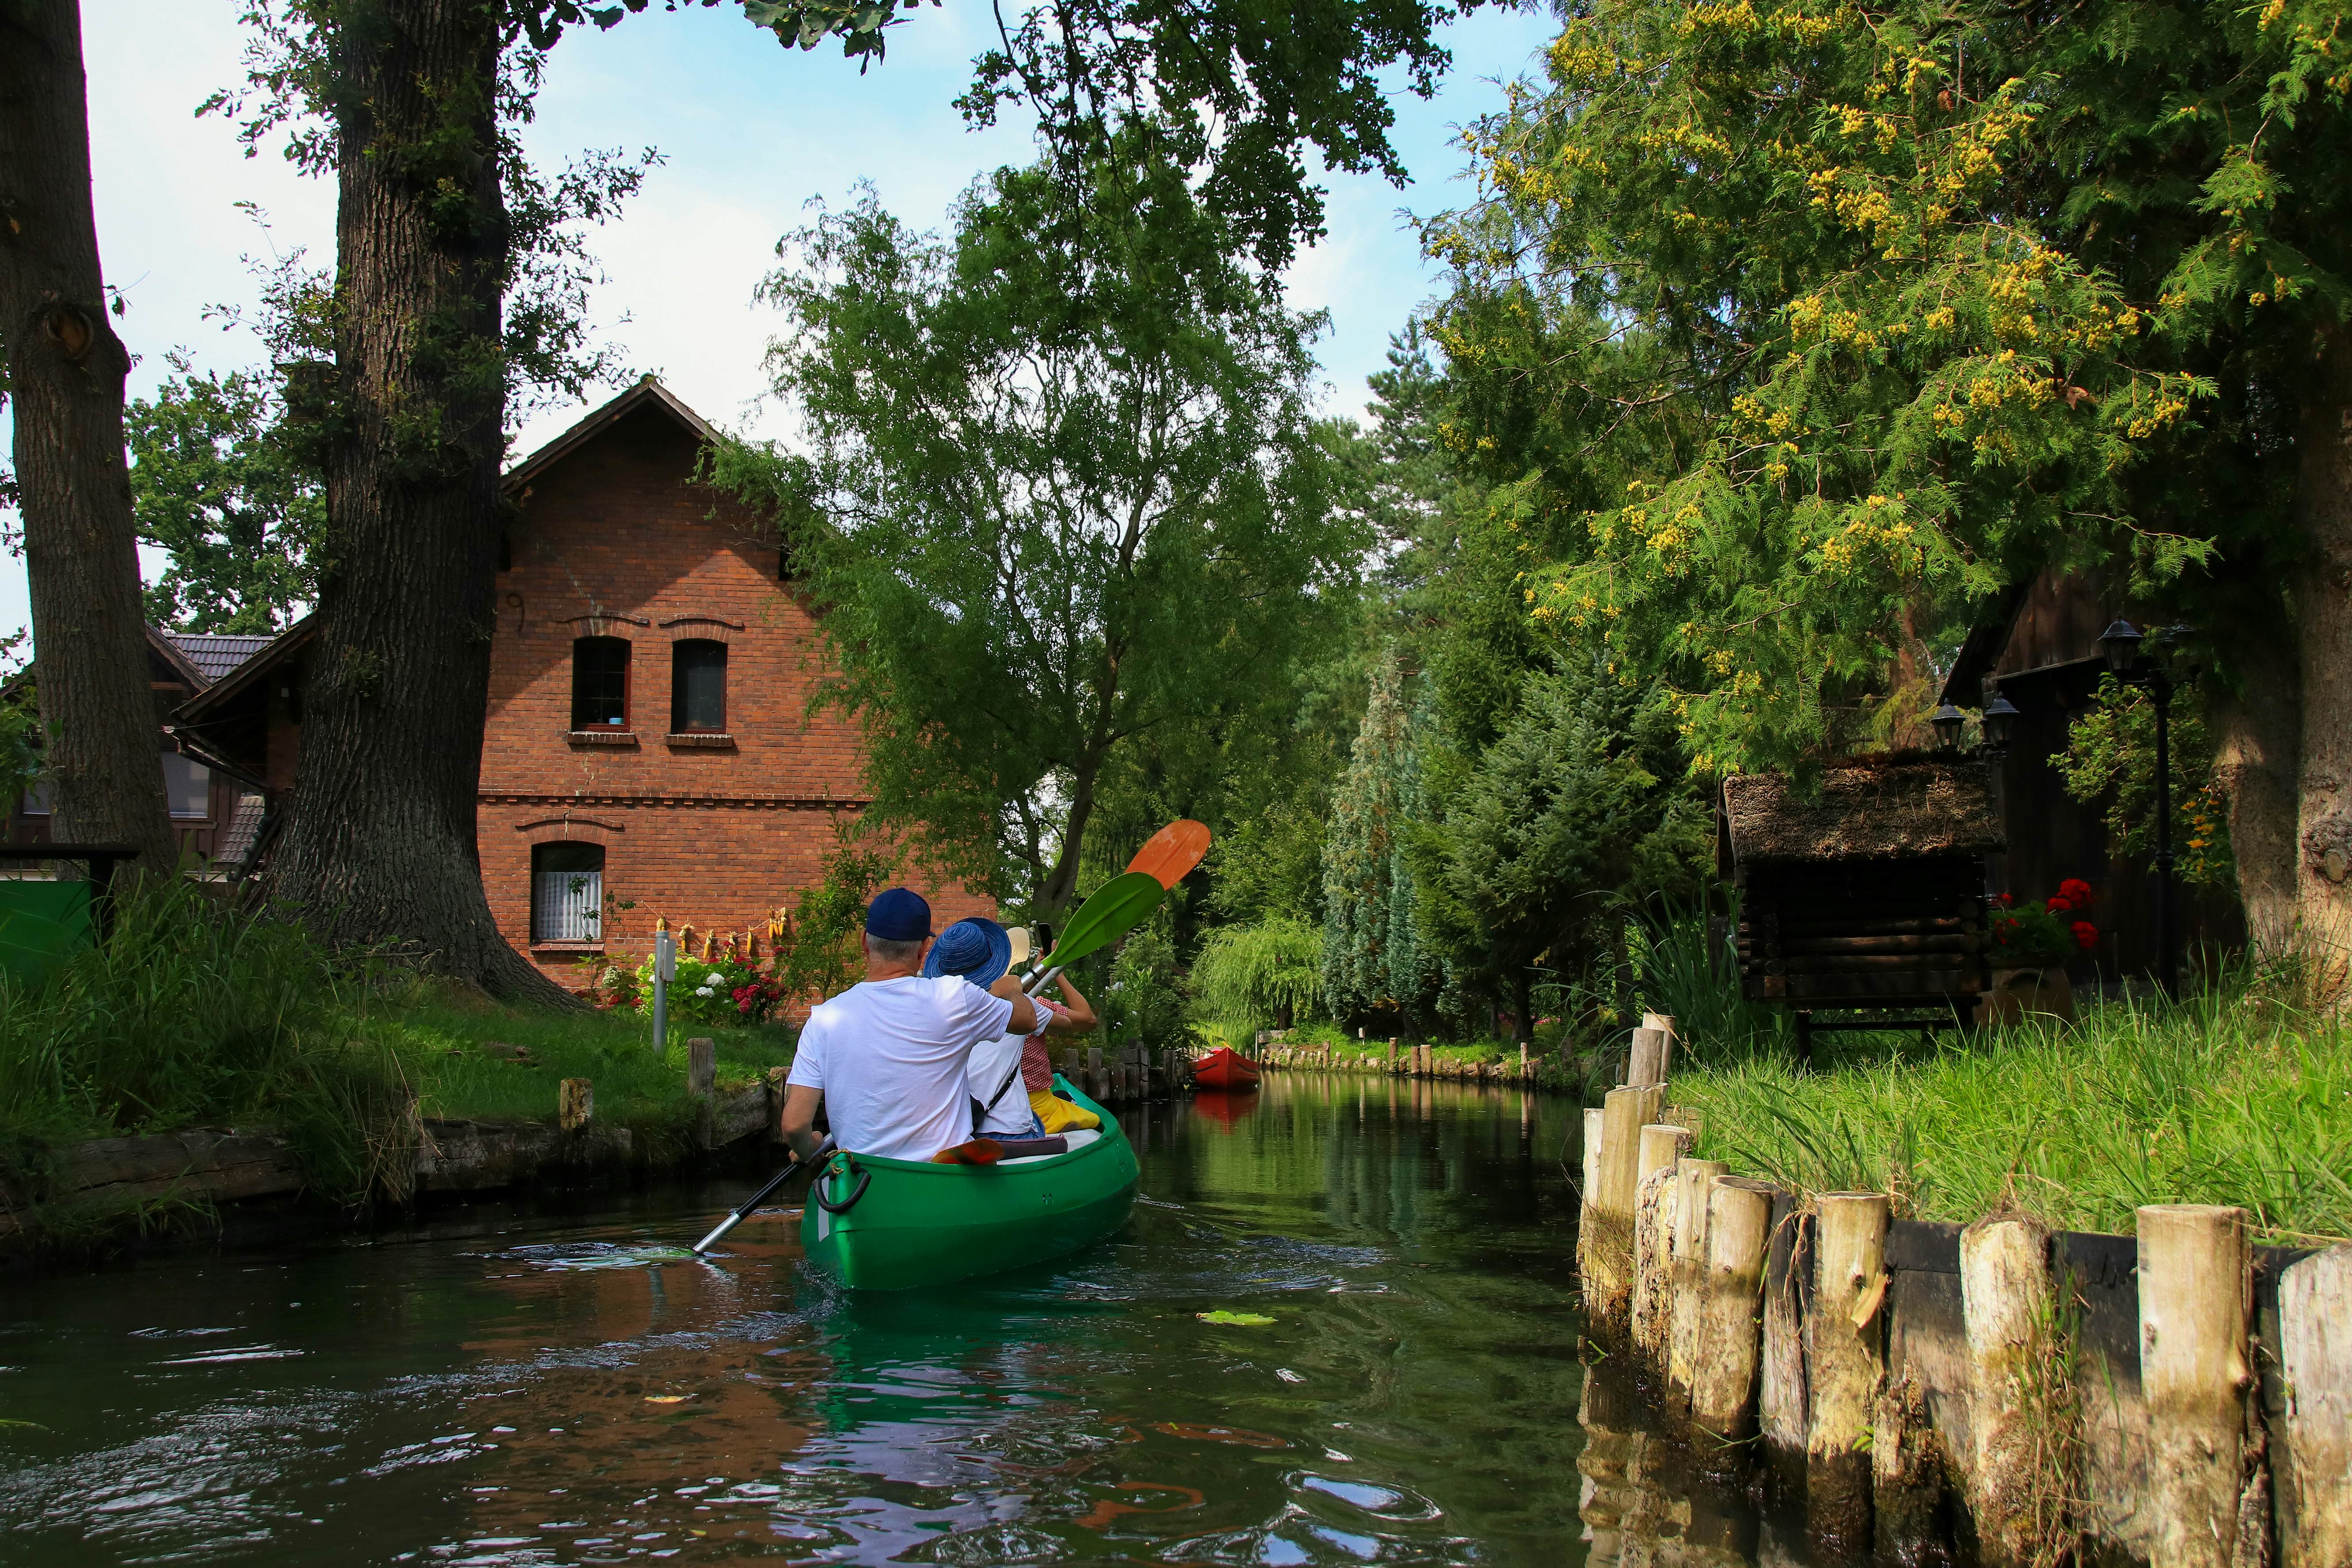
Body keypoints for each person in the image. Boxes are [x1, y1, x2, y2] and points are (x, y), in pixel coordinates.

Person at [778, 888, 1038, 1163]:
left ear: (865, 941)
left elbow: (794, 1126)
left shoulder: (824, 1019)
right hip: (941, 1179)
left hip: (864, 1183)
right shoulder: (954, 996)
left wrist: (809, 1148)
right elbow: (1028, 1021)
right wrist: (1013, 991)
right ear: (924, 948)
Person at [920, 917, 1097, 1137]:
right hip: (1016, 1123)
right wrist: (1055, 972)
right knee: (1084, 1118)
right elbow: (1083, 1022)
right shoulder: (1026, 1008)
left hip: (958, 1124)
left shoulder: (932, 1011)